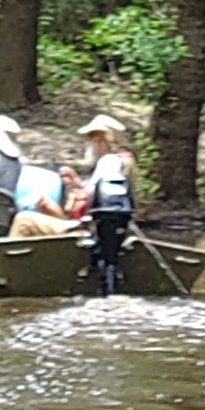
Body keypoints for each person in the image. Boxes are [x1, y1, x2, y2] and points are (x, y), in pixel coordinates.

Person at [70, 111, 138, 294]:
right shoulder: (127, 158)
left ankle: (103, 287)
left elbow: (91, 191)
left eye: (91, 138)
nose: (89, 142)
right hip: (123, 213)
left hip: (103, 215)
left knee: (105, 255)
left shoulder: (108, 160)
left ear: (102, 139)